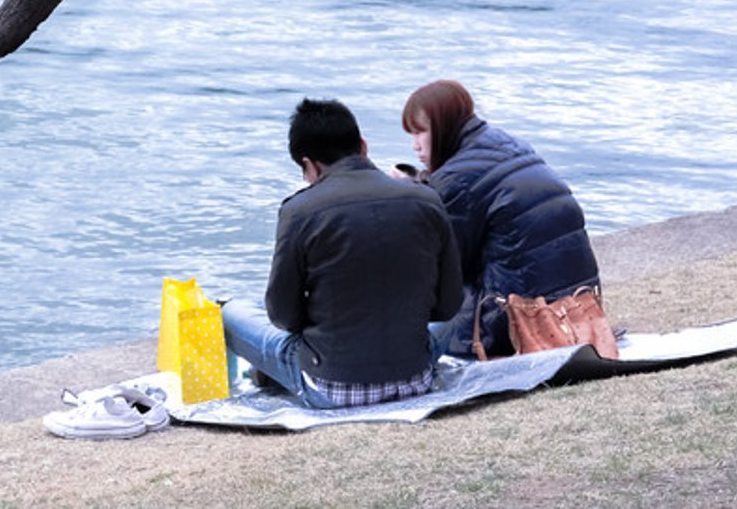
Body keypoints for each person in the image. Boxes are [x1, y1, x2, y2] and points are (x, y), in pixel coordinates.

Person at [220, 97, 462, 407]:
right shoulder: (426, 200)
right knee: (453, 307)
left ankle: (265, 377)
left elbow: (283, 316)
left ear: (309, 164)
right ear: (363, 145)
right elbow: (449, 305)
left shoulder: (299, 211)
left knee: (231, 312)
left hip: (330, 387)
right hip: (416, 377)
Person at [402, 78, 603, 358]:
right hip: (577, 306)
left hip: (514, 319)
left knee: (412, 326)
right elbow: (478, 187)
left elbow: (446, 270)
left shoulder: (454, 180)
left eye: (420, 132)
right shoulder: (508, 143)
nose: (415, 146)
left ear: (444, 126)